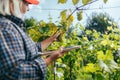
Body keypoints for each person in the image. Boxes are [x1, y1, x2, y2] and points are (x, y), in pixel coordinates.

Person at [0, 0, 67, 80]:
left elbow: (32, 49)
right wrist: (49, 60)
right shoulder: (6, 28)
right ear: (14, 2)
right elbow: (14, 72)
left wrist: (52, 39)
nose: (28, 9)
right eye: (27, 4)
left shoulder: (13, 27)